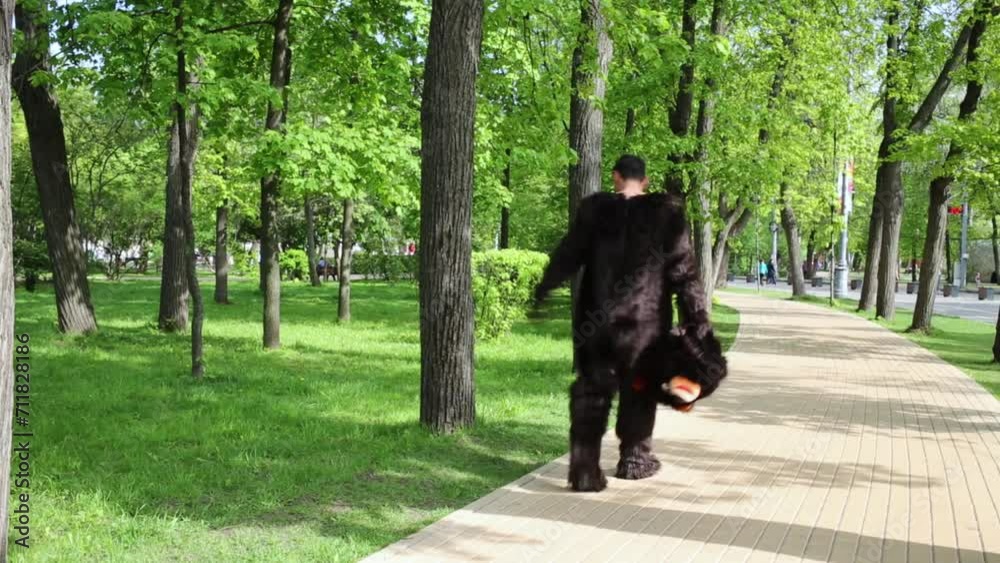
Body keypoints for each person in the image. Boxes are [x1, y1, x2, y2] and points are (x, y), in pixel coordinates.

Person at [532, 154, 726, 492]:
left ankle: (584, 469)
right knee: (640, 388)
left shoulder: (595, 211)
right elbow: (684, 274)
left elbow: (568, 253)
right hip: (644, 328)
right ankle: (635, 459)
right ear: (645, 180)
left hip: (595, 324)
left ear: (616, 177)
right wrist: (698, 323)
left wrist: (543, 290)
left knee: (591, 391)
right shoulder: (666, 215)